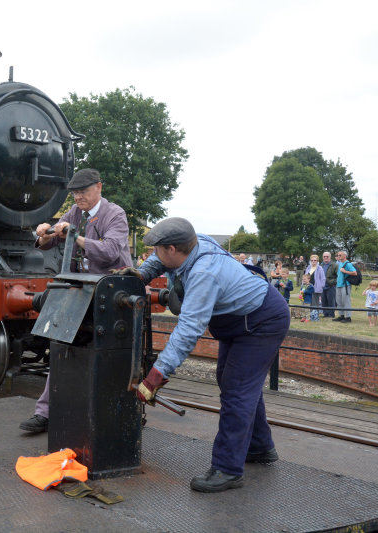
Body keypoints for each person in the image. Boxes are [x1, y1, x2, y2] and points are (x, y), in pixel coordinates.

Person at [129, 217, 289, 493]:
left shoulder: (204, 274)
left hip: (261, 322)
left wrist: (157, 374)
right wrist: (140, 274)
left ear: (172, 249)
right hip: (240, 320)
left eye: (157, 249)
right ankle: (259, 447)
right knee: (235, 382)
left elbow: (188, 329)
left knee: (237, 388)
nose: (154, 255)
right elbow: (159, 262)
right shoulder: (193, 240)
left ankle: (227, 469)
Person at [20, 168, 133, 433]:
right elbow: (48, 241)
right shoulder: (75, 214)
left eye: (82, 192)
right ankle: (46, 412)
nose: (78, 197)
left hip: (111, 291)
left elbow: (110, 252)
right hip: (81, 290)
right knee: (59, 344)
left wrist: (74, 235)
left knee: (109, 354)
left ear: (99, 187)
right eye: (75, 193)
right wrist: (44, 234)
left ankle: (111, 412)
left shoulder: (115, 214)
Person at [333, 251, 357, 323]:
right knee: (339, 301)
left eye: (340, 255)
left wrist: (345, 271)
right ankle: (341, 315)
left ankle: (348, 317)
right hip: (339, 285)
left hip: (345, 285)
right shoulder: (340, 263)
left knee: (346, 301)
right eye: (338, 255)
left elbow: (354, 273)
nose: (338, 256)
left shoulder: (348, 264)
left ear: (344, 256)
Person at [304, 254, 323, 321]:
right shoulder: (308, 267)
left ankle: (315, 316)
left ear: (317, 261)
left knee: (315, 303)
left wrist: (321, 286)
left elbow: (323, 279)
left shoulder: (320, 268)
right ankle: (309, 316)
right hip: (308, 287)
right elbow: (305, 277)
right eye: (312, 260)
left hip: (316, 288)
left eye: (315, 260)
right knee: (308, 303)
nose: (313, 261)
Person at [320, 252, 337, 318]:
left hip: (331, 286)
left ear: (330, 257)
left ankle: (331, 314)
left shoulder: (334, 265)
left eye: (327, 256)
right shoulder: (321, 265)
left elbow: (338, 276)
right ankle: (325, 313)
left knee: (331, 301)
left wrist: (332, 282)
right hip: (322, 286)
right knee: (323, 301)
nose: (325, 258)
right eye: (324, 256)